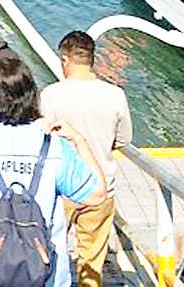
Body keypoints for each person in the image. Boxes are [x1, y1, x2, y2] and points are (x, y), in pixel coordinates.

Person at [0, 54, 106, 287]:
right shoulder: (54, 146)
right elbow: (97, 195)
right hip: (42, 274)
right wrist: (80, 140)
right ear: (31, 96)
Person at [40, 32, 133, 287]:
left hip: (61, 188)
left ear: (65, 59)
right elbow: (124, 139)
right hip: (101, 185)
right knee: (92, 258)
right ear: (92, 59)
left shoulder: (51, 94)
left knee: (49, 249)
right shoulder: (115, 95)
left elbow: (44, 140)